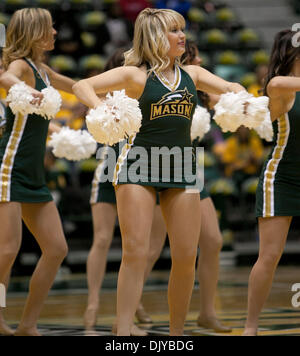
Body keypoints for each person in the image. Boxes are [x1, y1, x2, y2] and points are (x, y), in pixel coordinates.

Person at [73, 8, 245, 336]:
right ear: (154, 37)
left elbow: (229, 85)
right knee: (135, 252)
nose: (182, 36)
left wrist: (242, 95)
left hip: (181, 166)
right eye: (174, 31)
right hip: (137, 165)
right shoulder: (134, 75)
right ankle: (122, 333)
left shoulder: (192, 75)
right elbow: (82, 86)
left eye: (182, 29)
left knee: (184, 256)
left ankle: (176, 336)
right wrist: (103, 108)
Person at [0, 8, 75, 336]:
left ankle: (27, 324)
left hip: (33, 174)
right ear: (33, 32)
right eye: (50, 28)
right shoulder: (19, 67)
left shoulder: (42, 69)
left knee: (57, 248)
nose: (56, 32)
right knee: (6, 250)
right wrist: (24, 89)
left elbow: (76, 85)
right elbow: (4, 77)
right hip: (9, 167)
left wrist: (116, 94)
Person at [84, 50, 167, 335]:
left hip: (140, 168)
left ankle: (134, 302)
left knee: (148, 245)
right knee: (103, 237)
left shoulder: (149, 90)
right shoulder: (107, 95)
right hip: (109, 168)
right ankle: (93, 301)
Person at [243, 29, 300, 336]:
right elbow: (276, 82)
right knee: (270, 255)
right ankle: (251, 326)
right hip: (282, 178)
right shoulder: (280, 86)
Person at [181, 40, 231, 332]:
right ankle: (130, 309)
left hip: (190, 171)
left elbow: (227, 97)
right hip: (159, 166)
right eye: (194, 56)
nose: (199, 60)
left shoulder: (202, 90)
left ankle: (207, 312)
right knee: (147, 250)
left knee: (212, 241)